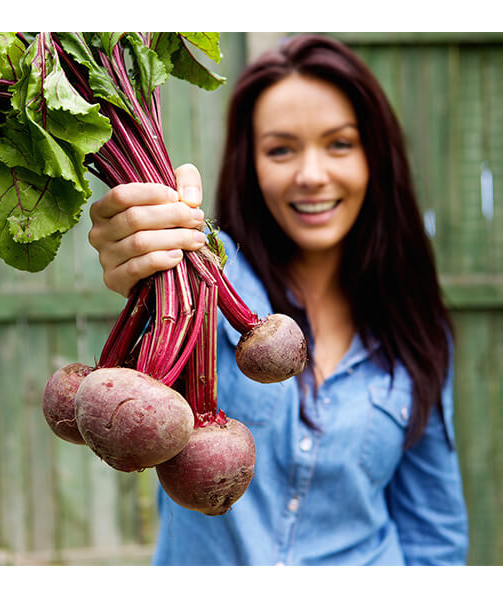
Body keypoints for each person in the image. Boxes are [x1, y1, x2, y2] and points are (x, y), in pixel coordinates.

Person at [88, 34, 468, 565]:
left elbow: (435, 533)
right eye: (281, 149)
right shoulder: (202, 281)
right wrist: (137, 253)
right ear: (251, 166)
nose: (312, 176)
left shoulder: (415, 328)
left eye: (339, 144)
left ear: (375, 158)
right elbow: (148, 278)